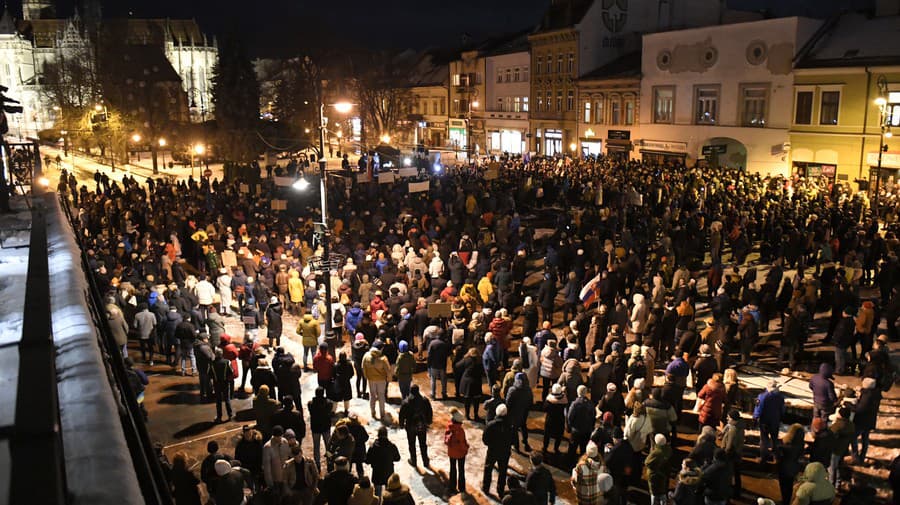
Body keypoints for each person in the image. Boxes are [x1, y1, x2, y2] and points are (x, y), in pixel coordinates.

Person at [483, 404, 514, 498]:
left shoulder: (491, 425)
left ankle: (486, 488)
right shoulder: (510, 425)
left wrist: (491, 445)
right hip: (505, 451)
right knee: (503, 470)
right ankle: (500, 489)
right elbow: (513, 440)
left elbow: (485, 439)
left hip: (493, 451)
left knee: (488, 469)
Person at [754, 380, 785, 462]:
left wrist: (755, 417)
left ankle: (763, 457)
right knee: (775, 439)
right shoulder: (780, 397)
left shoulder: (762, 396)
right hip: (775, 421)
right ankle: (776, 457)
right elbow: (782, 409)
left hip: (764, 421)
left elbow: (759, 408)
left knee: (764, 440)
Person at [852, 377, 881, 463]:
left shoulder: (867, 396)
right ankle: (862, 456)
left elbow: (860, 409)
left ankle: (855, 457)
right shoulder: (876, 393)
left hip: (862, 421)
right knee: (865, 439)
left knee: (853, 437)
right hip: (870, 420)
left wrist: (849, 405)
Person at [366, 426, 401, 496]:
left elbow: (367, 460)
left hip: (377, 474)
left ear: (378, 435)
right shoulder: (392, 446)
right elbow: (397, 458)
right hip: (388, 473)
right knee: (388, 494)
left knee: (377, 494)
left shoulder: (373, 447)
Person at [777, 423, 806, 505]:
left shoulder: (787, 444)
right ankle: (786, 501)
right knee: (789, 486)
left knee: (783, 485)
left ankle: (784, 501)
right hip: (794, 468)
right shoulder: (801, 444)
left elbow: (779, 452)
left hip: (784, 467)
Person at [567, 385, 596, 464]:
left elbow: (570, 416)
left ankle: (569, 462)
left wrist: (569, 426)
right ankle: (582, 463)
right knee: (583, 449)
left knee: (572, 448)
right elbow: (593, 416)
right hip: (587, 430)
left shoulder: (575, 404)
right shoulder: (590, 403)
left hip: (576, 430)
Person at [362, 340, 391, 421]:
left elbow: (363, 368)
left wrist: (366, 377)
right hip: (381, 380)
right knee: (381, 396)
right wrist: (389, 379)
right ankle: (382, 414)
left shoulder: (366, 356)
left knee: (372, 396)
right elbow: (388, 371)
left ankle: (373, 413)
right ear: (380, 349)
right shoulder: (383, 359)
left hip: (371, 380)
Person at [506, 372, 533, 453]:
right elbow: (531, 402)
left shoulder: (513, 390)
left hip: (514, 414)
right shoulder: (528, 389)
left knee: (514, 429)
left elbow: (508, 402)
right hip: (524, 412)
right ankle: (525, 442)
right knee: (523, 426)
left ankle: (516, 446)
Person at [308, 387, 334, 471]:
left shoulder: (311, 404)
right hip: (326, 427)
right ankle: (330, 463)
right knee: (328, 446)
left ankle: (317, 465)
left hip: (315, 428)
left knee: (316, 447)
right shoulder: (329, 403)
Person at [262, 425, 292, 499]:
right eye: (277, 437)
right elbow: (267, 468)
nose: (279, 438)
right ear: (273, 435)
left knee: (287, 498)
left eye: (280, 436)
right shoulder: (267, 447)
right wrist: (270, 484)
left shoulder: (285, 442)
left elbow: (289, 456)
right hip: (275, 481)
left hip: (285, 478)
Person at [445, 407, 470, 495]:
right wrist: (466, 448)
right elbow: (462, 444)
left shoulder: (449, 426)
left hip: (451, 452)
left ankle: (452, 486)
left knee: (452, 469)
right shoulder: (460, 431)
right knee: (461, 470)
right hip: (460, 454)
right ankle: (461, 488)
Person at [721, 409, 745, 498]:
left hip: (732, 455)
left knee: (730, 473)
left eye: (728, 417)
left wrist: (724, 453)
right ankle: (737, 491)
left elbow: (729, 445)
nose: (727, 418)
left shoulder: (733, 430)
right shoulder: (738, 426)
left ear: (733, 419)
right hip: (737, 454)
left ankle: (731, 492)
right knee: (737, 474)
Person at [829, 407, 855, 487]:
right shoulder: (851, 424)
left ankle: (831, 485)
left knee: (832, 468)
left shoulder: (838, 425)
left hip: (835, 449)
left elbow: (830, 436)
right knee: (839, 466)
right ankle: (838, 483)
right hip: (843, 448)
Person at [457, 346, 485, 420]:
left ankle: (467, 415)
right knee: (476, 400)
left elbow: (457, 366)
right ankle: (476, 415)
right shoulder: (480, 360)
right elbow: (483, 371)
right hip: (476, 382)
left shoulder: (467, 360)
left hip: (467, 382)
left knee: (467, 400)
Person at [645, 434, 672, 505]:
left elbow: (647, 462)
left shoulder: (656, 452)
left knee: (654, 493)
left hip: (655, 475)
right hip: (664, 473)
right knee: (663, 491)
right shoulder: (668, 449)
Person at [543, 383, 568, 453]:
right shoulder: (564, 399)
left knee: (547, 435)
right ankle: (556, 448)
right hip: (560, 420)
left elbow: (544, 408)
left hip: (550, 420)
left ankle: (545, 447)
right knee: (559, 436)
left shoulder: (549, 400)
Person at [211, 347, 234, 423]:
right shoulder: (227, 362)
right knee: (227, 399)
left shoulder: (212, 363)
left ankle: (219, 417)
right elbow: (231, 371)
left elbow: (209, 374)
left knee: (218, 401)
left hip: (216, 383)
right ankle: (230, 415)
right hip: (225, 383)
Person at [343, 412, 370, 478]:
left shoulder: (346, 427)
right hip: (359, 451)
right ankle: (361, 479)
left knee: (348, 467)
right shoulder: (360, 427)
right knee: (359, 466)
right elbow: (366, 437)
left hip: (350, 451)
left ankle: (347, 480)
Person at [427, 331, 451, 399]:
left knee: (433, 380)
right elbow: (448, 354)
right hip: (442, 365)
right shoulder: (445, 344)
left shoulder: (432, 343)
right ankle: (444, 393)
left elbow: (429, 355)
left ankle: (433, 394)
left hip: (433, 365)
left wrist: (428, 366)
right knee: (443, 381)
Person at [351, 333, 370, 399]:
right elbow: (368, 351)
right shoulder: (365, 346)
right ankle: (364, 393)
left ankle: (358, 393)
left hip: (356, 364)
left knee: (358, 378)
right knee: (364, 378)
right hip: (363, 364)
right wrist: (366, 343)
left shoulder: (353, 345)